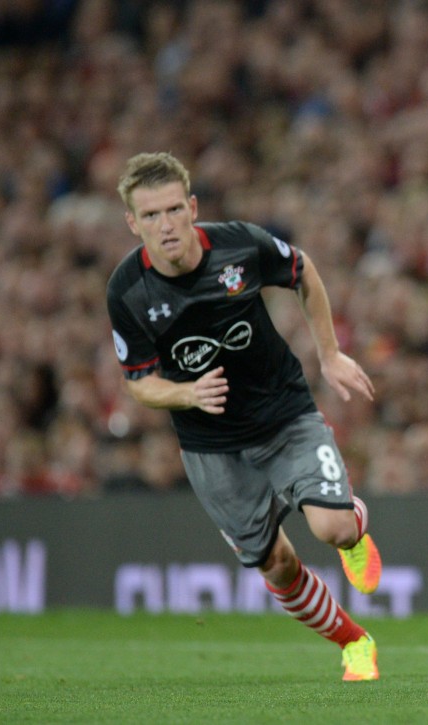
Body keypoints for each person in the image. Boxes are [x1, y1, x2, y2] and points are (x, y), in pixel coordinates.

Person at [106, 152, 381, 682]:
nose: (165, 226)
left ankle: (353, 529)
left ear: (191, 207)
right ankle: (354, 641)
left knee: (334, 527)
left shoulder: (238, 244)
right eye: (150, 216)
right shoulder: (128, 291)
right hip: (211, 447)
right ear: (132, 223)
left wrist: (329, 353)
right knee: (275, 564)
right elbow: (139, 381)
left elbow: (303, 272)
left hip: (283, 413)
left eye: (172, 211)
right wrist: (186, 395)